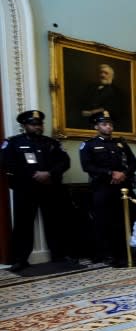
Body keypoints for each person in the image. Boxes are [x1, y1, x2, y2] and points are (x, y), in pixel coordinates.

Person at [0, 110, 73, 272]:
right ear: (24, 125)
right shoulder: (13, 142)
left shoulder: (51, 143)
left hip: (50, 188)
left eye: (39, 124)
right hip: (25, 189)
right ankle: (20, 259)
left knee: (55, 222)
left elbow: (64, 162)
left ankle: (59, 255)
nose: (38, 127)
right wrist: (33, 175)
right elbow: (7, 164)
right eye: (33, 125)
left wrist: (49, 174)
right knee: (23, 224)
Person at [79, 110, 136, 267]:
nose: (109, 127)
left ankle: (126, 251)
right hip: (102, 188)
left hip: (123, 187)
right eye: (104, 124)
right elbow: (87, 166)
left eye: (110, 124)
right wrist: (111, 173)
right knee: (104, 222)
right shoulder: (89, 145)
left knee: (126, 220)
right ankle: (107, 254)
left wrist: (124, 174)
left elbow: (133, 163)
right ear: (97, 126)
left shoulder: (121, 143)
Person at [80, 64, 127, 131]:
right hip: (88, 123)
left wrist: (91, 112)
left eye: (106, 73)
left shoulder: (117, 91)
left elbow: (114, 109)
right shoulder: (91, 88)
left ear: (112, 76)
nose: (102, 75)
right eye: (101, 72)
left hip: (106, 123)